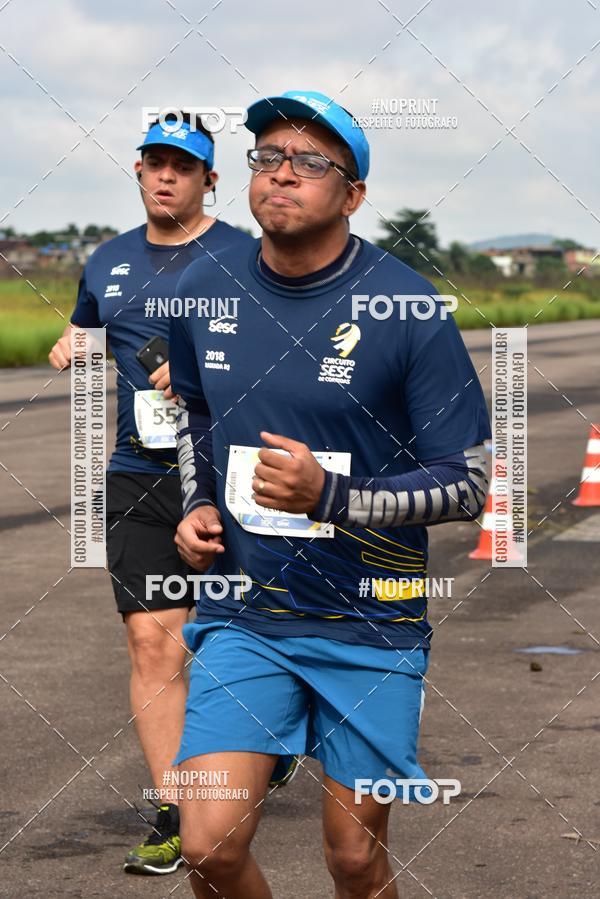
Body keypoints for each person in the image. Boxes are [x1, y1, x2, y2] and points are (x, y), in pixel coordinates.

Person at [170, 90, 491, 898]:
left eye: (311, 163)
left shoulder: (408, 309)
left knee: (352, 858)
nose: (283, 174)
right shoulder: (205, 288)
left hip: (369, 624)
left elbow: (472, 483)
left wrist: (333, 497)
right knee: (206, 844)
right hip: (245, 614)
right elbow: (195, 412)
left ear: (351, 194)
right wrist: (195, 501)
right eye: (268, 156)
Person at [48, 112, 253, 875]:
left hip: (234, 472)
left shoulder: (244, 253)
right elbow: (88, 326)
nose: (167, 176)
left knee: (239, 634)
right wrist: (75, 342)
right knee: (149, 637)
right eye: (155, 163)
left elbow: (285, 347)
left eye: (184, 165)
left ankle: (273, 745)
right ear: (138, 171)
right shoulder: (106, 260)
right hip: (140, 470)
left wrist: (212, 371)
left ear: (210, 180)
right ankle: (175, 805)